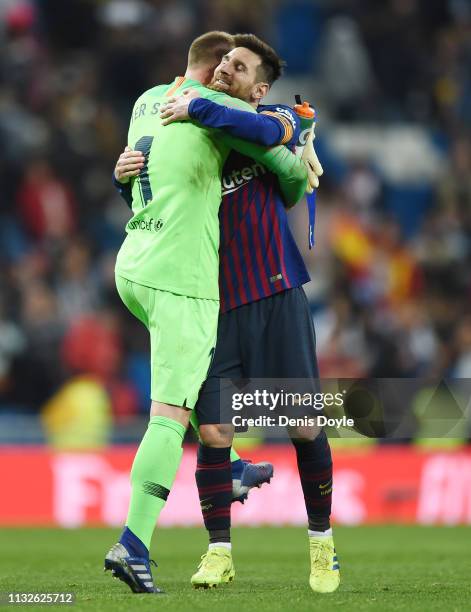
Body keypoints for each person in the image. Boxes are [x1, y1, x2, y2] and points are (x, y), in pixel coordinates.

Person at [116, 34, 337, 594]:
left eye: (237, 68)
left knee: (304, 423)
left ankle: (321, 545)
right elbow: (154, 191)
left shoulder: (244, 119)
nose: (226, 72)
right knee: (213, 430)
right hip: (211, 298)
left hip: (274, 289)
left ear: (256, 87)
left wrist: (299, 148)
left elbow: (289, 171)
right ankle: (218, 551)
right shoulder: (190, 122)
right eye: (224, 63)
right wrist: (127, 175)